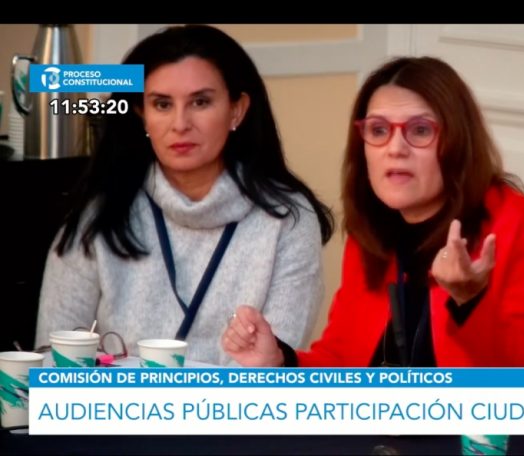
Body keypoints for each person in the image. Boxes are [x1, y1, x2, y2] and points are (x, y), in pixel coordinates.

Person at [222, 56, 524, 370]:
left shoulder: (517, 225)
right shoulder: (372, 230)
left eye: (420, 130)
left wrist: (469, 304)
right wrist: (282, 361)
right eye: (378, 130)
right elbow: (343, 361)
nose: (395, 148)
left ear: (457, 142)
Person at [35, 25, 334, 366]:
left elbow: (270, 367)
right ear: (142, 115)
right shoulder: (99, 213)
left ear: (237, 110)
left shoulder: (288, 219)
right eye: (162, 104)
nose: (180, 123)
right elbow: (53, 358)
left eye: (200, 102)